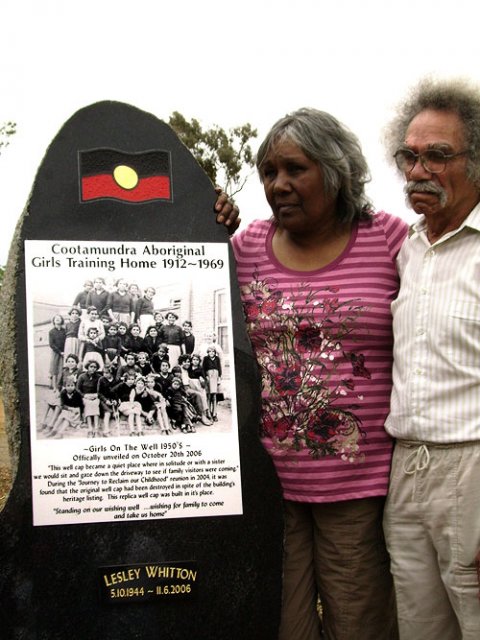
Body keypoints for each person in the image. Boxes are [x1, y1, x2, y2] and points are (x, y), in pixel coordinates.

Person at [220, 108, 408, 640]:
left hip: (359, 491)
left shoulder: (389, 241)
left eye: (295, 170)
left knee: (359, 624)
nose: (278, 185)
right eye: (268, 172)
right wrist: (202, 220)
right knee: (282, 624)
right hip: (267, 489)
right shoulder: (245, 248)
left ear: (336, 171)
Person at [382, 77, 480, 639]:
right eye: (409, 156)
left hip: (472, 467)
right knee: (419, 627)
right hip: (408, 470)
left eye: (438, 156)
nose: (418, 171)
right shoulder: (407, 249)